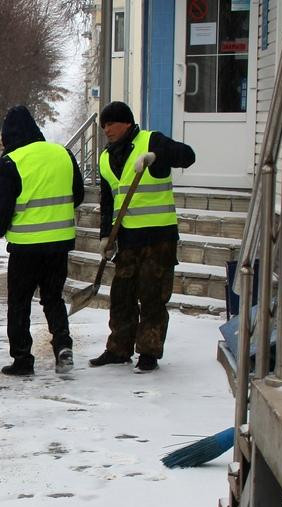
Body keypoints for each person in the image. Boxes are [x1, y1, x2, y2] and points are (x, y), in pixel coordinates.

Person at [89, 101, 196, 373]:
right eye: (103, 125)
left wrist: (156, 157)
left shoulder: (152, 140)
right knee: (121, 295)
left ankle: (148, 352)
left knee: (152, 296)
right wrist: (105, 236)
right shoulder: (105, 157)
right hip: (126, 238)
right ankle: (118, 349)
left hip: (158, 238)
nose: (106, 130)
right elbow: (108, 200)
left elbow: (187, 155)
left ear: (126, 122)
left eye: (110, 123)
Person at [0, 105, 83, 376]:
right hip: (60, 243)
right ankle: (63, 347)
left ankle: (22, 359)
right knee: (53, 298)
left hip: (26, 247)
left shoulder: (11, 162)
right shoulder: (63, 153)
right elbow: (77, 195)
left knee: (19, 302)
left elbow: (2, 206)